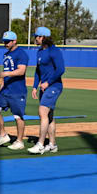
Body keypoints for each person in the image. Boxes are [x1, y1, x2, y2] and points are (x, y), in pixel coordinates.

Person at [27, 26, 65, 154]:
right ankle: (52, 145)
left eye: (36, 36)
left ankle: (40, 144)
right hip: (44, 87)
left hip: (54, 86)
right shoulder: (39, 52)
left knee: (42, 112)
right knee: (49, 116)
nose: (35, 38)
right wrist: (34, 86)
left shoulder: (54, 51)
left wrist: (48, 83)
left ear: (42, 37)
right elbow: (38, 71)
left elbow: (61, 69)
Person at [0, 30, 29, 150]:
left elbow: (21, 71)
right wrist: (2, 83)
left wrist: (5, 74)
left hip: (17, 90)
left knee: (18, 116)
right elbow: (6, 69)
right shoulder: (6, 55)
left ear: (14, 41)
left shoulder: (21, 54)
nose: (5, 44)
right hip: (6, 90)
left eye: (7, 42)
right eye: (4, 41)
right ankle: (3, 135)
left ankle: (19, 141)